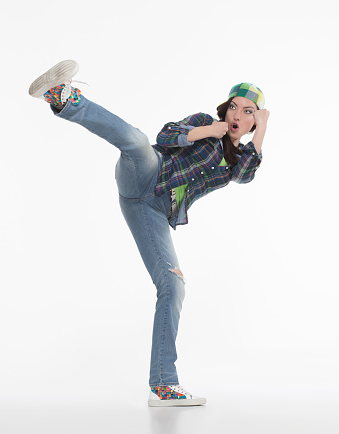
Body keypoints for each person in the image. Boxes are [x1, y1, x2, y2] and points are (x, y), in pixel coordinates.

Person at [29, 60, 270, 407]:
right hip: (146, 170)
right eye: (233, 105)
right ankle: (64, 99)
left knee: (173, 286)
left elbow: (247, 173)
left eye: (248, 112)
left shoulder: (235, 161)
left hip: (152, 210)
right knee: (138, 141)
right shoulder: (206, 122)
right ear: (225, 108)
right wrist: (209, 131)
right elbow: (166, 136)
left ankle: (164, 385)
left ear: (252, 121)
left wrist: (262, 129)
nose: (237, 114)